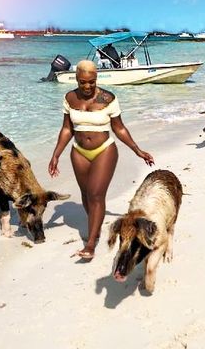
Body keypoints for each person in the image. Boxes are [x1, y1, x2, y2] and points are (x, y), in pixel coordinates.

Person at [48, 60, 154, 260]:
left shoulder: (108, 98)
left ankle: (91, 242)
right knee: (87, 195)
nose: (87, 86)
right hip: (78, 151)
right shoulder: (70, 98)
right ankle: (95, 225)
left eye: (92, 81)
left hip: (104, 150)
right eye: (82, 82)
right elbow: (67, 129)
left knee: (96, 194)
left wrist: (137, 150)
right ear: (76, 79)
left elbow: (119, 128)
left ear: (96, 78)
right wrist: (56, 155)